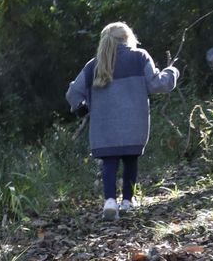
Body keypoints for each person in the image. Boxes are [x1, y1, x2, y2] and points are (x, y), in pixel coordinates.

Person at [66, 22, 179, 218]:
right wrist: (172, 72)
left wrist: (82, 109)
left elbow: (73, 93)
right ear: (128, 38)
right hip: (133, 124)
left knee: (109, 163)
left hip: (104, 128)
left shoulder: (94, 65)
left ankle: (110, 201)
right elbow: (156, 85)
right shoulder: (139, 56)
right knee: (130, 160)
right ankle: (127, 201)